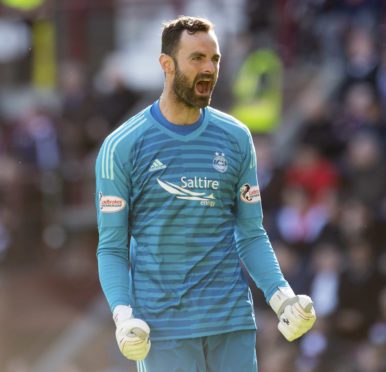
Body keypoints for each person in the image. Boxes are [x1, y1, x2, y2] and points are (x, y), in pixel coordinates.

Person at [95, 16, 316, 372]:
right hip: (163, 331)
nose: (209, 69)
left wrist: (282, 297)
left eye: (214, 59)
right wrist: (123, 315)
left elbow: (250, 233)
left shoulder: (236, 137)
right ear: (166, 64)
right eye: (196, 58)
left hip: (232, 325)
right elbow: (111, 246)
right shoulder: (122, 146)